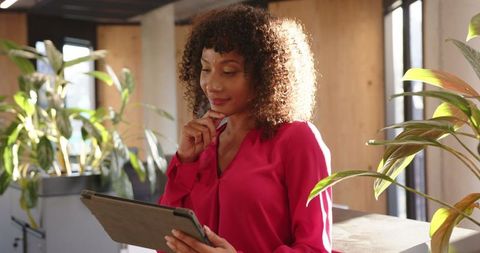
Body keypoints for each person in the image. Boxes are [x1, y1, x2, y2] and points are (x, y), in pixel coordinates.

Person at [159, 4, 332, 253]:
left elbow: (314, 248)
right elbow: (165, 240)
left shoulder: (298, 140)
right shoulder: (205, 143)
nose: (212, 84)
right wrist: (185, 160)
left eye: (229, 71)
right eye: (206, 69)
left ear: (265, 76)